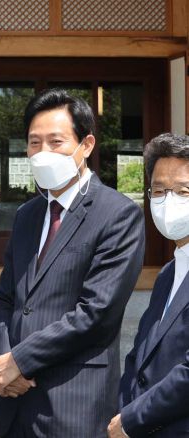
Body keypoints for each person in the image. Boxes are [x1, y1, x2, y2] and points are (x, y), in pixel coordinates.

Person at [0, 89, 145, 437]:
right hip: (15, 403)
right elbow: (4, 299)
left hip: (73, 403)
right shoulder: (27, 215)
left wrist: (20, 361)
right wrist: (3, 362)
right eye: (34, 143)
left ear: (86, 145)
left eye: (55, 142)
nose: (43, 152)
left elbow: (96, 313)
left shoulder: (118, 214)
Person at [109, 133, 189, 437]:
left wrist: (132, 420)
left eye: (182, 191)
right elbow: (140, 356)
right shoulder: (168, 273)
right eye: (158, 190)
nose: (168, 200)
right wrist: (123, 411)